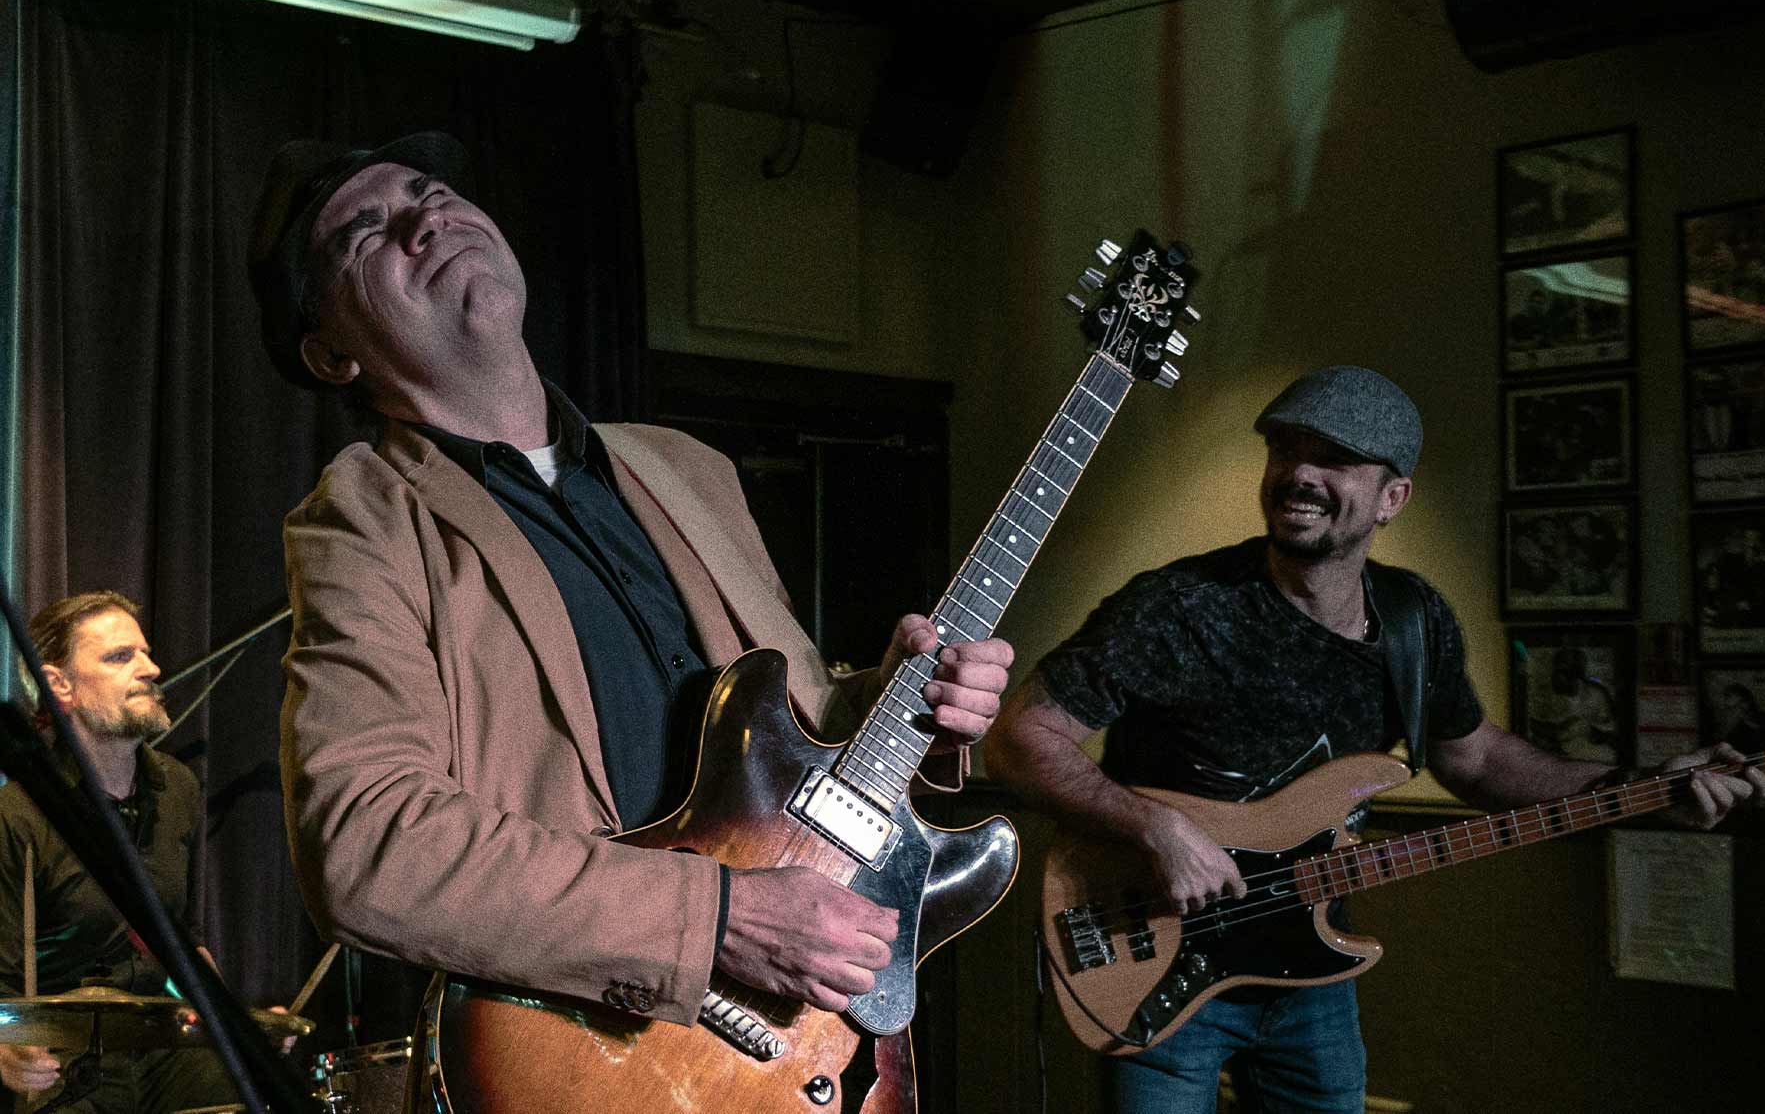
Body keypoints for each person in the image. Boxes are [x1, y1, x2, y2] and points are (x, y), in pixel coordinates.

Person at [247, 132, 1012, 1034]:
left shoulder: (687, 467)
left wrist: (897, 704)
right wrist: (719, 920)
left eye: (431, 188)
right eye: (367, 231)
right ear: (333, 353)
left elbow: (787, 749)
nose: (425, 217)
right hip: (593, 1051)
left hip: (792, 1041)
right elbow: (366, 845)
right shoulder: (363, 517)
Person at [984, 366, 1765, 1114]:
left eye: (1333, 458)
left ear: (1393, 496)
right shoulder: (1179, 607)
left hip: (1313, 981)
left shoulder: (1413, 619)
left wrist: (1649, 785)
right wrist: (1159, 828)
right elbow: (1022, 737)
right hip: (1151, 958)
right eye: (1285, 449)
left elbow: (1482, 759)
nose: (1299, 473)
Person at [0, 593, 244, 1113]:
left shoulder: (176, 789)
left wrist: (242, 1029)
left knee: (242, 1091)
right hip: (63, 1055)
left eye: (146, 654)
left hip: (156, 1042)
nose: (151, 669)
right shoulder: (18, 812)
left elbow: (185, 944)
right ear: (58, 685)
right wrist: (5, 1052)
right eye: (119, 657)